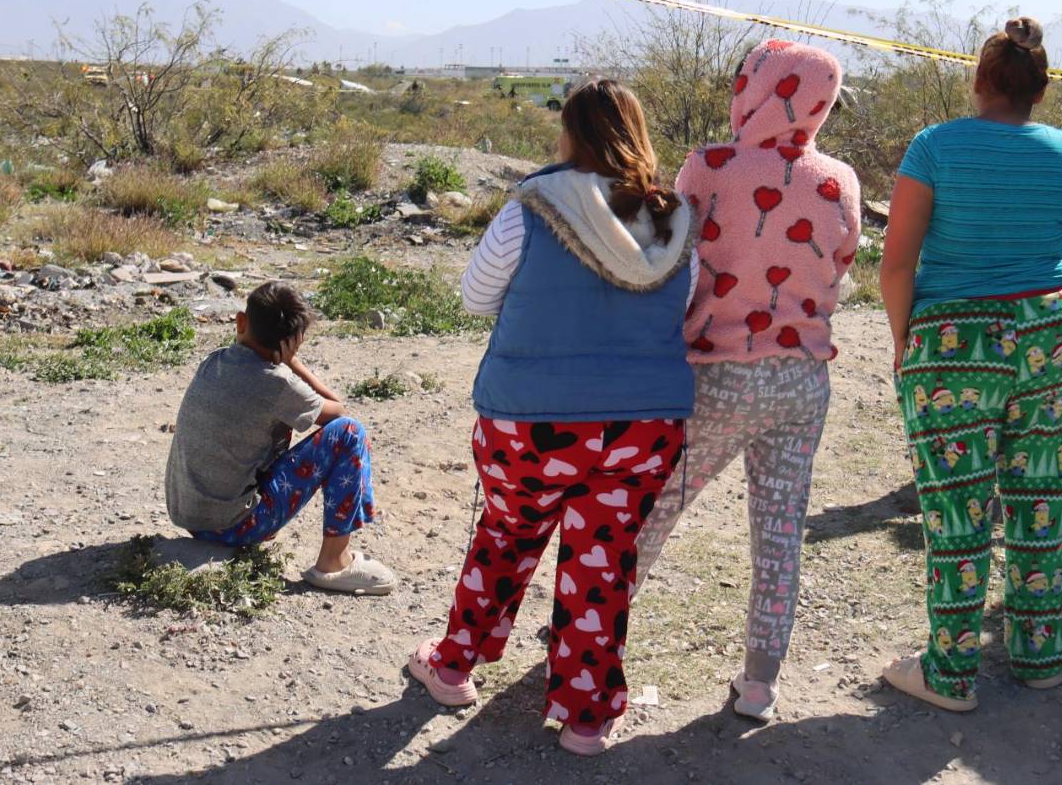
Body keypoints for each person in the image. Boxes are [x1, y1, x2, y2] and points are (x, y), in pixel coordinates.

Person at [409, 79, 696, 756]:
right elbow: (683, 308)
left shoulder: (533, 207)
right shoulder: (676, 220)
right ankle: (586, 718)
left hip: (531, 423)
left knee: (507, 534)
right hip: (643, 427)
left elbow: (475, 296)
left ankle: (453, 668)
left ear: (571, 134)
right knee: (604, 562)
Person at [632, 39, 862, 722]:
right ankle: (760, 684)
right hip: (803, 380)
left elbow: (669, 258)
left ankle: (590, 626)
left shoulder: (709, 166)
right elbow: (841, 263)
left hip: (718, 374)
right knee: (781, 532)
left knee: (656, 507)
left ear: (755, 88)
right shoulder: (842, 179)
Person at [878, 17, 1062, 711]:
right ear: (1042, 89)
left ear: (979, 82)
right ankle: (1041, 656)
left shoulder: (935, 146)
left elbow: (897, 263)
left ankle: (950, 674)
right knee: (1044, 501)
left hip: (955, 341)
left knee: (957, 510)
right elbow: (1052, 231)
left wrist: (905, 340)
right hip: (1055, 332)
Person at [163, 281, 394, 594]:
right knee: (350, 434)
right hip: (232, 527)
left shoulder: (214, 361)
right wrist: (294, 363)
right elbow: (338, 412)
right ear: (293, 341)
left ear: (241, 322)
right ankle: (334, 561)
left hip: (189, 517)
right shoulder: (277, 382)